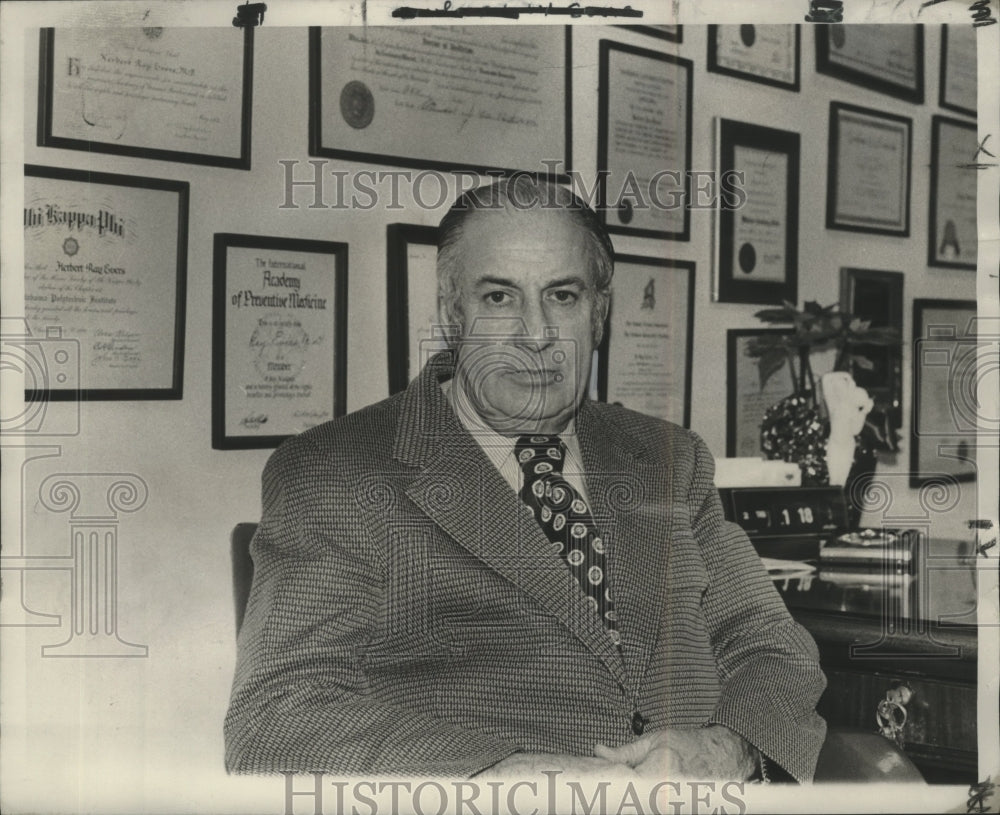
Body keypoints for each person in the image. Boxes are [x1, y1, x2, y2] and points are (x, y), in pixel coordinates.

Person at [224, 177, 827, 782]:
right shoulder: (336, 473)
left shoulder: (667, 457)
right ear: (452, 310)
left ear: (600, 312)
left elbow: (768, 644)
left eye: (562, 296)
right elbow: (276, 718)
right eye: (499, 298)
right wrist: (535, 779)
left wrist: (728, 749)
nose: (536, 336)